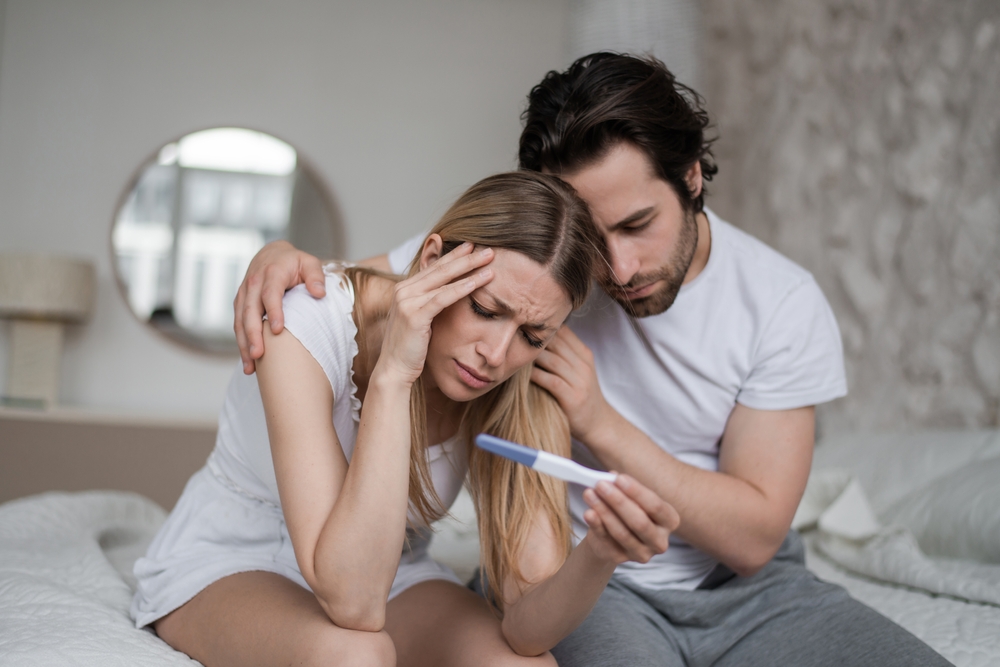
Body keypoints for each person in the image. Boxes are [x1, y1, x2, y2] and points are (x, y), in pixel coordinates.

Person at [235, 54, 952, 666]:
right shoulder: (535, 270)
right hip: (582, 578)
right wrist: (278, 257)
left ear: (693, 177)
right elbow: (365, 294)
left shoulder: (783, 303)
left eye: (638, 224)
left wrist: (599, 422)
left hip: (745, 588)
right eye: (587, 233)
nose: (615, 266)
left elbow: (756, 536)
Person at [130, 171, 681, 667]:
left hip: (383, 566)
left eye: (533, 336)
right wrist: (394, 373)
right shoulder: (305, 322)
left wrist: (600, 554)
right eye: (485, 310)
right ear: (432, 260)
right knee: (356, 656)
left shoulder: (523, 385)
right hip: (235, 556)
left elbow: (526, 628)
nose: (497, 354)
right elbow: (354, 605)